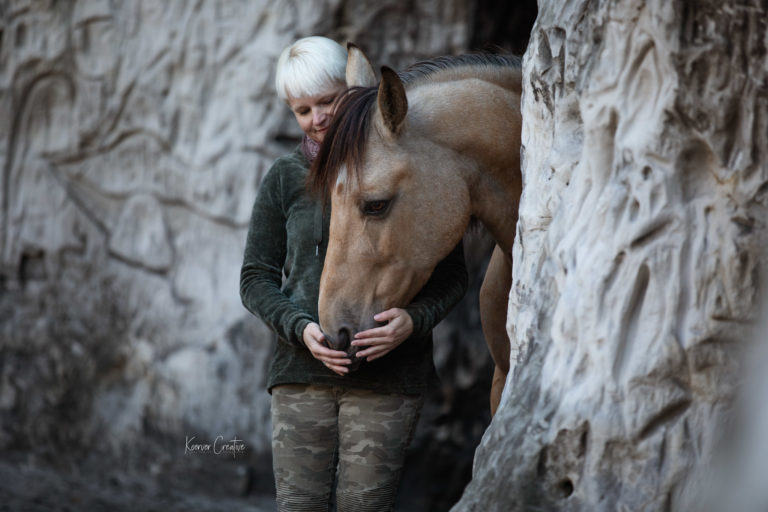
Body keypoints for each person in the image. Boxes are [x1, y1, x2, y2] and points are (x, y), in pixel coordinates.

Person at [240, 36, 468, 512]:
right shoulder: (284, 177)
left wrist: (413, 321)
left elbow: (451, 277)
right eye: (302, 110)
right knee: (299, 505)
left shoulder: (407, 172)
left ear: (354, 92)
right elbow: (255, 278)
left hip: (388, 379)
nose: (317, 118)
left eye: (327, 101)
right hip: (300, 375)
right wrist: (300, 329)